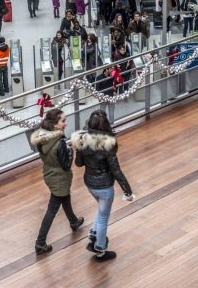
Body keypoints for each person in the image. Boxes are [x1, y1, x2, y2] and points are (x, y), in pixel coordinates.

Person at [71, 110, 133, 262]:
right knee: (104, 216)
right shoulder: (108, 143)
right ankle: (100, 249)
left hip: (90, 182)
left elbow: (78, 163)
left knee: (101, 210)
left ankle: (93, 233)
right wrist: (127, 191)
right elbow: (116, 170)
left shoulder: (82, 139)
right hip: (104, 185)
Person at [30, 110, 84, 255]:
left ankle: (74, 222)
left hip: (49, 172)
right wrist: (71, 151)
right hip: (60, 176)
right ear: (55, 124)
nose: (66, 123)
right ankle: (40, 243)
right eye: (63, 121)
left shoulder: (42, 136)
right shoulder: (59, 143)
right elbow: (66, 165)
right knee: (53, 208)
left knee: (65, 197)